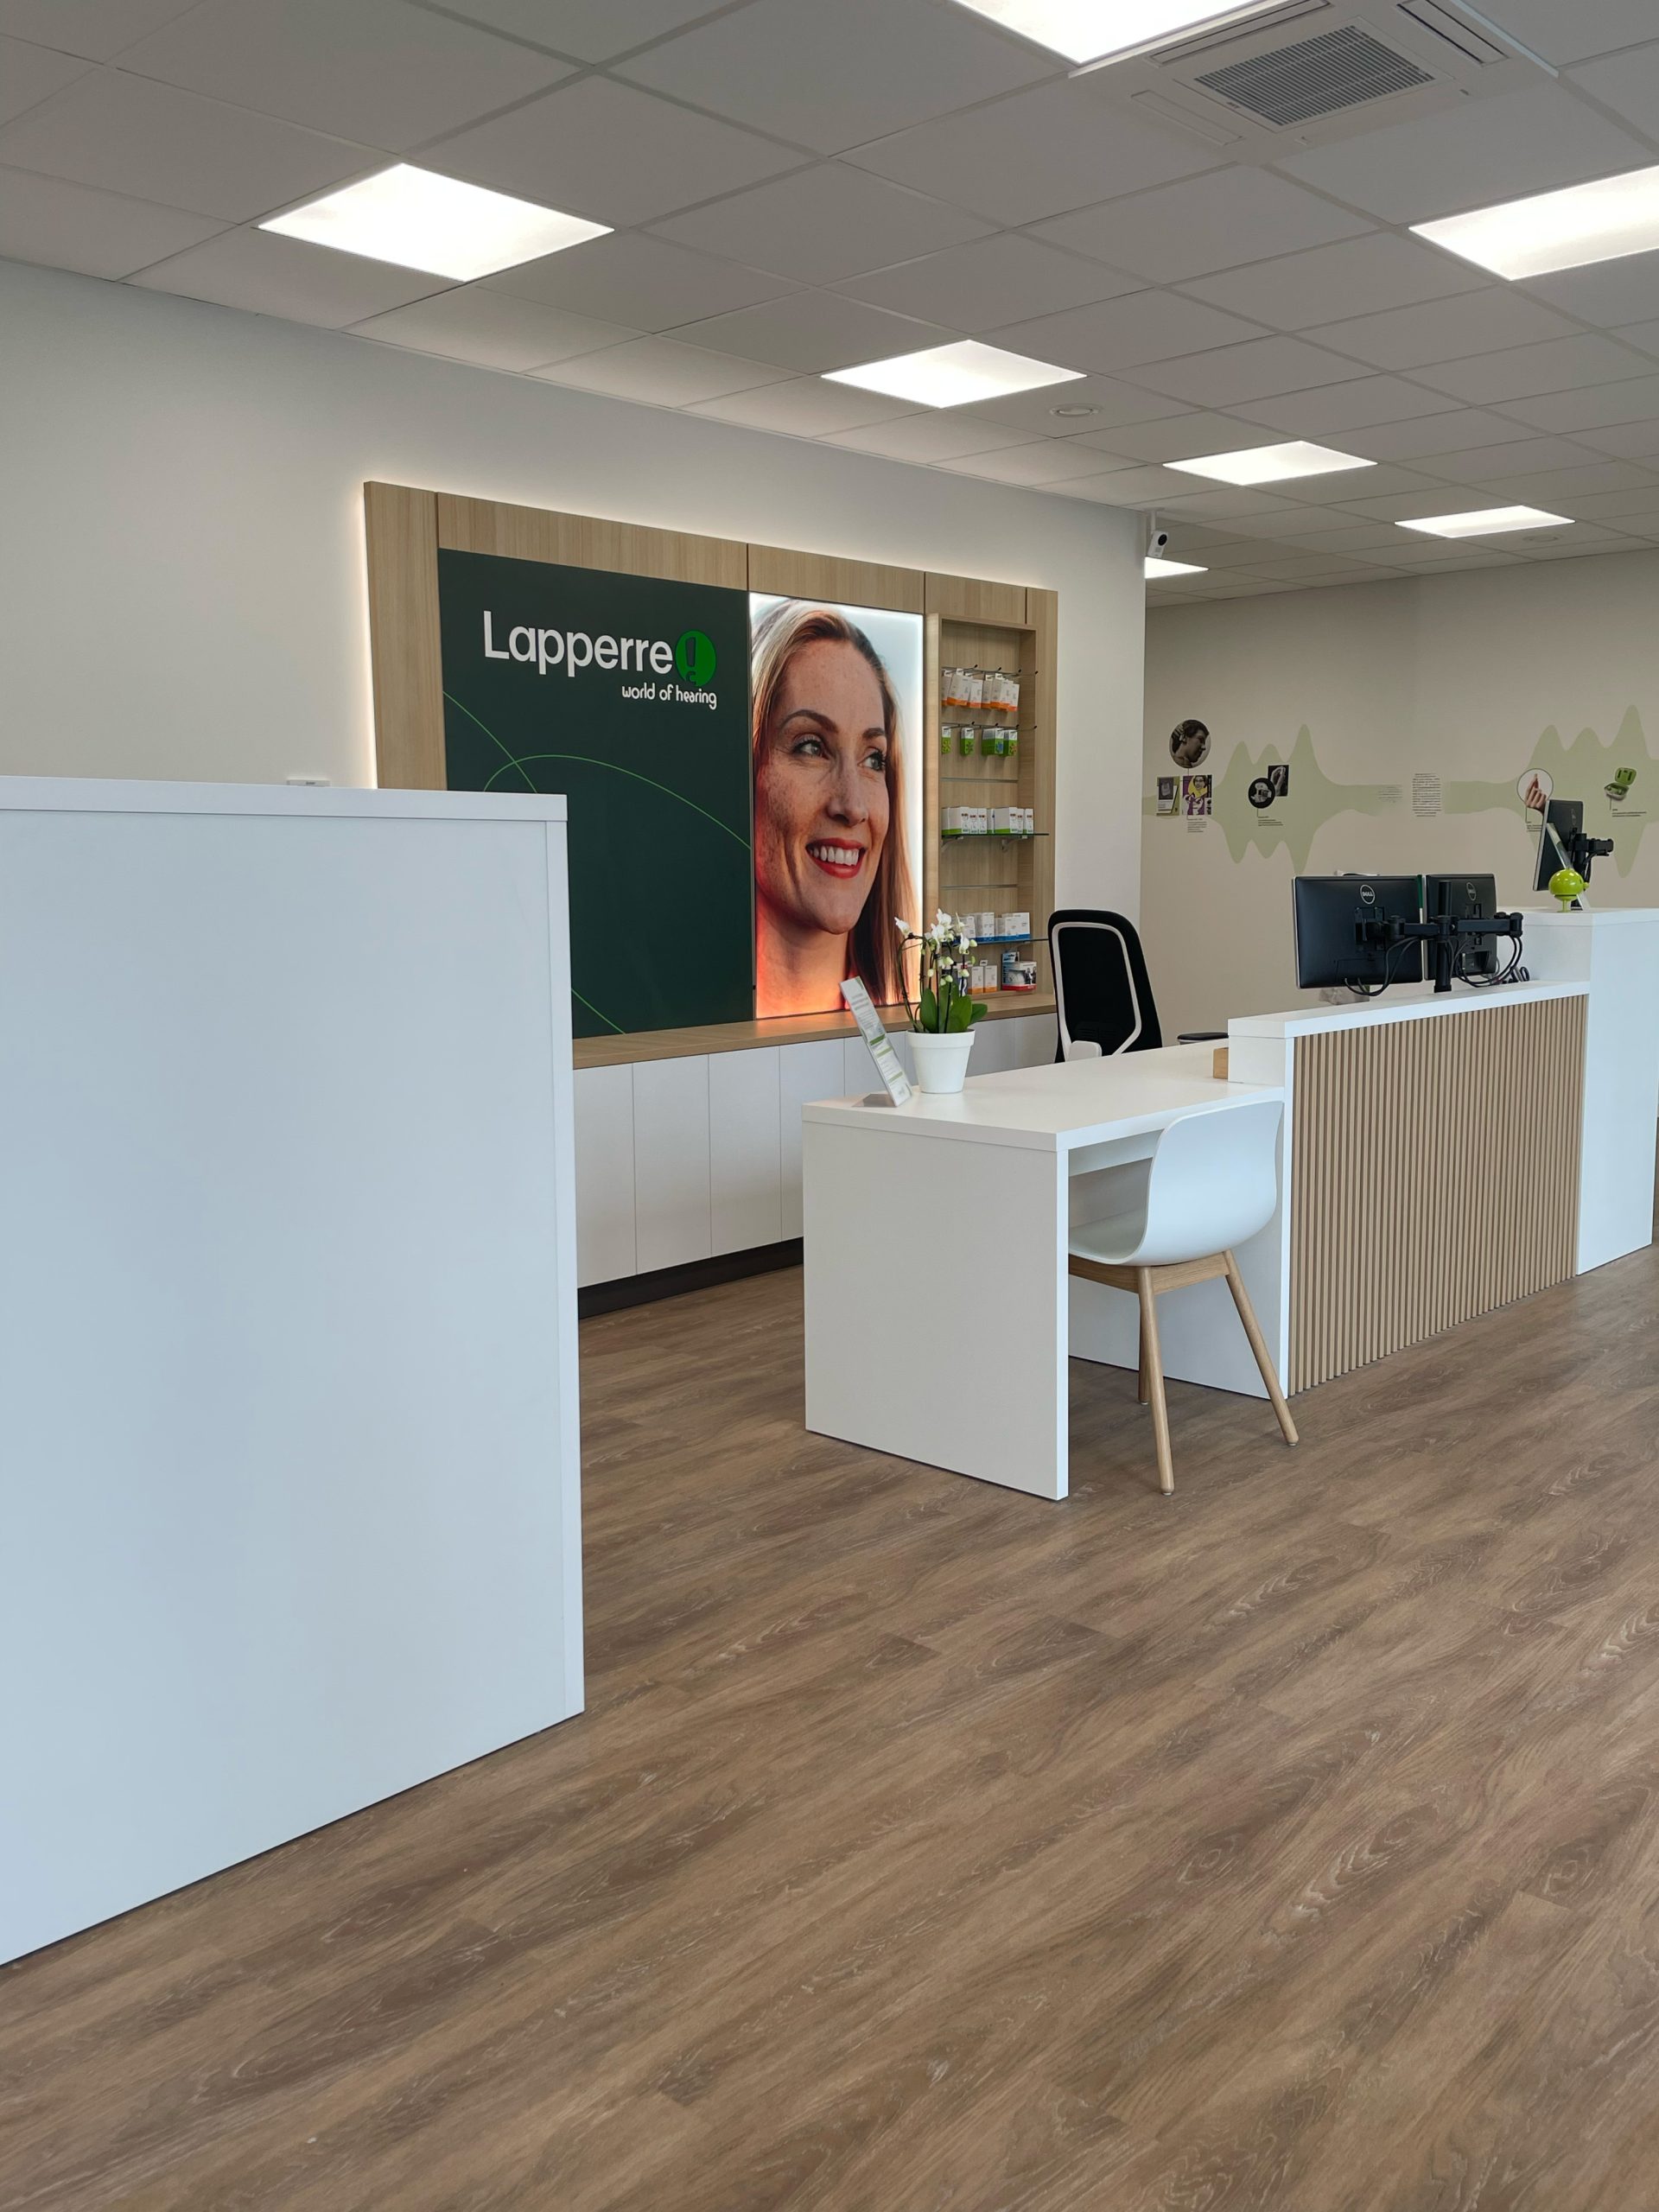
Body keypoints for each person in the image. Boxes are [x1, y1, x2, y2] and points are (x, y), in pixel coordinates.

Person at [751, 602, 915, 1018]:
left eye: (873, 759)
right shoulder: (671, 1023)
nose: (853, 806)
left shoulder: (914, 1018)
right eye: (811, 747)